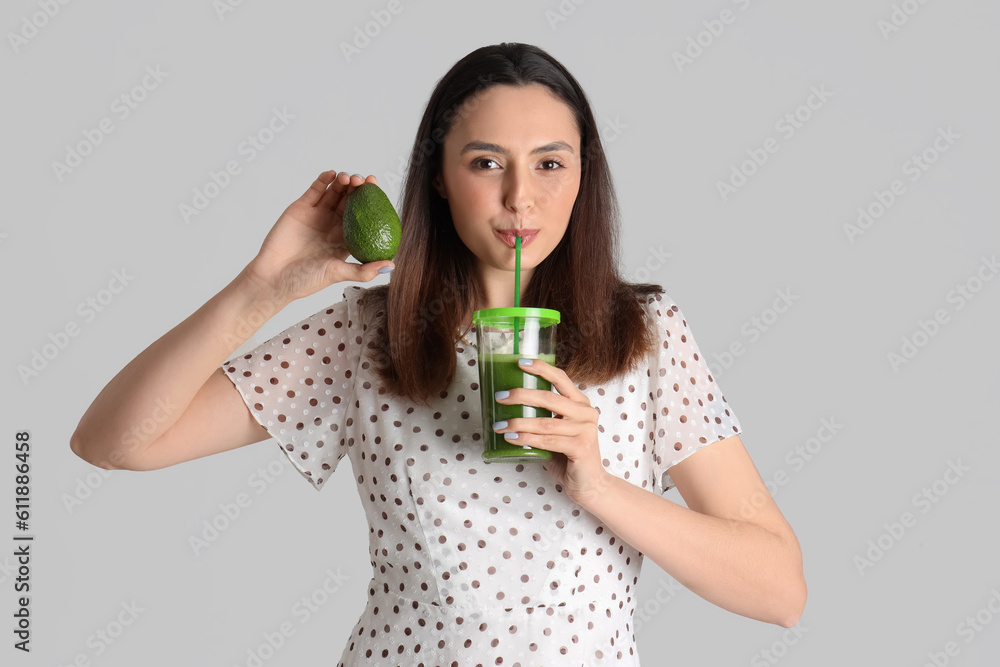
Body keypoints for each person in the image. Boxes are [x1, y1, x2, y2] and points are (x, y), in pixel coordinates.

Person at [71, 42, 806, 666]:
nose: (522, 198)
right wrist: (263, 287)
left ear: (584, 175)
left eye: (551, 164)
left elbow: (779, 590)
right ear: (438, 176)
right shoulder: (367, 332)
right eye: (487, 163)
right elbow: (110, 441)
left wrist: (598, 483)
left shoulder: (643, 332)